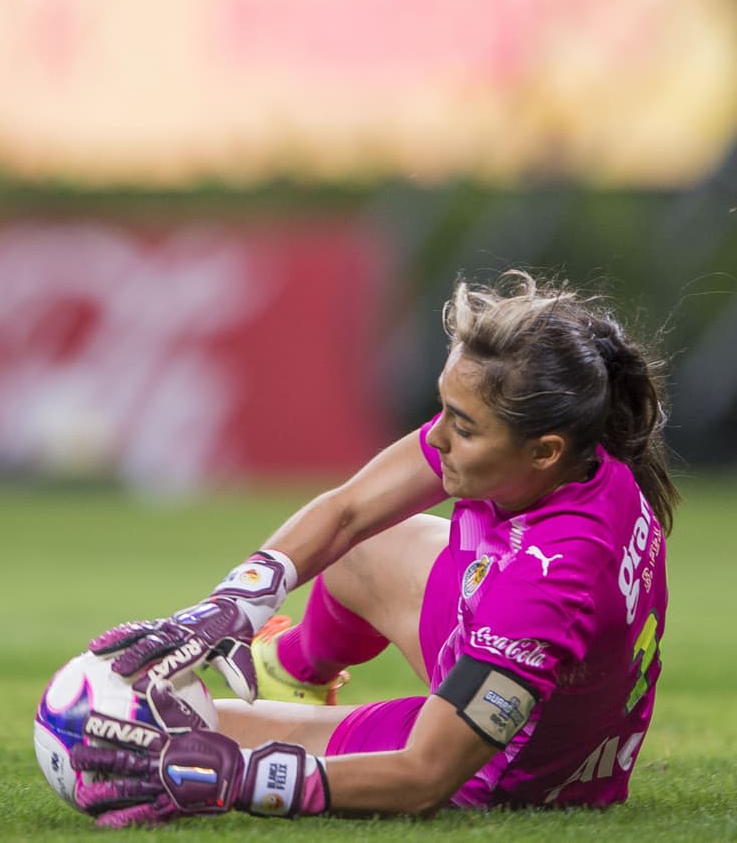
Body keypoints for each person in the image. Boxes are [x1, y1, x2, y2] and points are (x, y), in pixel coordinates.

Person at [71, 272, 679, 827]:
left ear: (542, 450)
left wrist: (240, 779)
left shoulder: (548, 580)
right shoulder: (582, 456)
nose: (436, 436)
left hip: (499, 771)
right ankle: (292, 670)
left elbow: (423, 777)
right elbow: (349, 511)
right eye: (444, 409)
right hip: (555, 696)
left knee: (125, 732)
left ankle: (279, 708)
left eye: (463, 427)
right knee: (366, 543)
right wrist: (237, 600)